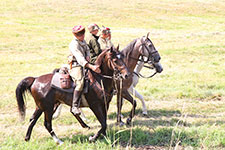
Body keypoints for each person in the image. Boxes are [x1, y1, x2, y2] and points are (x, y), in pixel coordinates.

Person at [68, 25, 101, 115]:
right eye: (80, 35)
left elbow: (87, 49)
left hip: (85, 64)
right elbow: (80, 59)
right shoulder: (73, 44)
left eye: (83, 34)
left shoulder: (82, 41)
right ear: (76, 36)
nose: (82, 36)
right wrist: (91, 66)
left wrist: (88, 56)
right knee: (80, 82)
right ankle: (75, 106)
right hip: (76, 66)